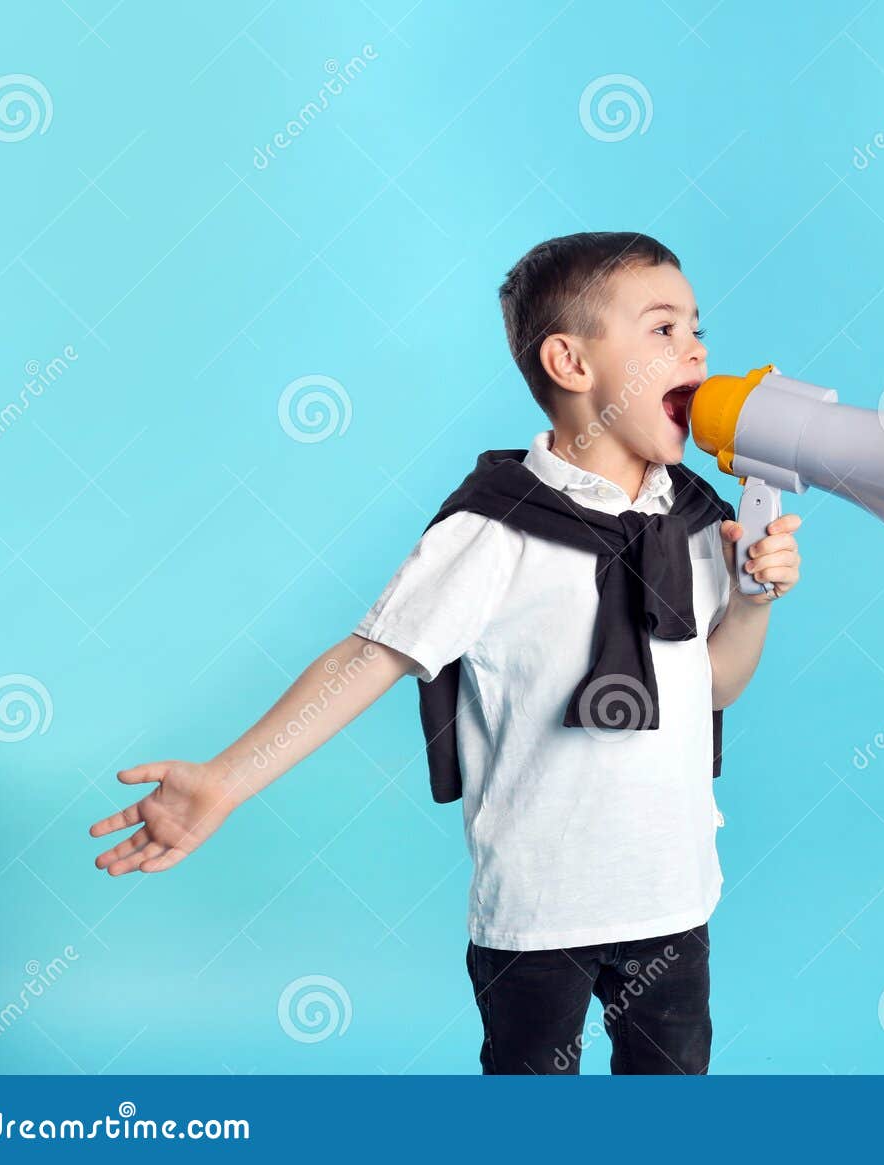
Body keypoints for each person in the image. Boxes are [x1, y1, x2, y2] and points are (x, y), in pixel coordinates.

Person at [88, 231, 804, 1074]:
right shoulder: (495, 530)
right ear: (571, 363)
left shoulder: (691, 519)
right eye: (663, 329)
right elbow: (366, 660)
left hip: (673, 901)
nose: (699, 349)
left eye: (697, 327)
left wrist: (752, 603)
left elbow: (710, 685)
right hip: (539, 916)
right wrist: (226, 778)